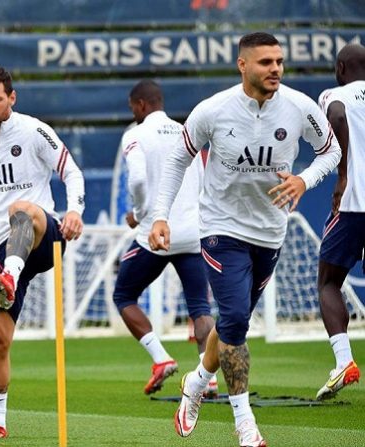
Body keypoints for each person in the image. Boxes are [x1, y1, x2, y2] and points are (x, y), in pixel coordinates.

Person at [148, 32, 341, 446]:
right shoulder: (213, 110)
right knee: (235, 320)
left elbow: (331, 150)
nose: (275, 69)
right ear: (242, 65)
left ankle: (197, 381)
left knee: (233, 321)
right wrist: (160, 215)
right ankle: (244, 423)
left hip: (270, 232)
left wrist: (305, 180)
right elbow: (178, 157)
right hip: (221, 229)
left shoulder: (298, 107)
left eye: (279, 61)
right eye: (265, 62)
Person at [0, 65, 85, 440]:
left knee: (20, 210)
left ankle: (8, 275)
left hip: (44, 235)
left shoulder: (34, 130)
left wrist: (75, 211)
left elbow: (71, 172)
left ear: (12, 97)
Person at [113, 80, 216, 396]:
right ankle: (208, 379)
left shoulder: (135, 134)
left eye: (133, 107)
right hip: (192, 232)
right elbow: (202, 182)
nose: (133, 113)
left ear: (141, 105)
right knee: (200, 307)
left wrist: (140, 212)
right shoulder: (188, 133)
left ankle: (160, 359)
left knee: (124, 295)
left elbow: (139, 178)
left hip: (155, 234)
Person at [315, 43, 365, 400]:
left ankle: (344, 360)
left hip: (353, 204)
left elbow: (335, 115)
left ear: (341, 66)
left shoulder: (335, 93)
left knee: (328, 282)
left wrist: (343, 173)